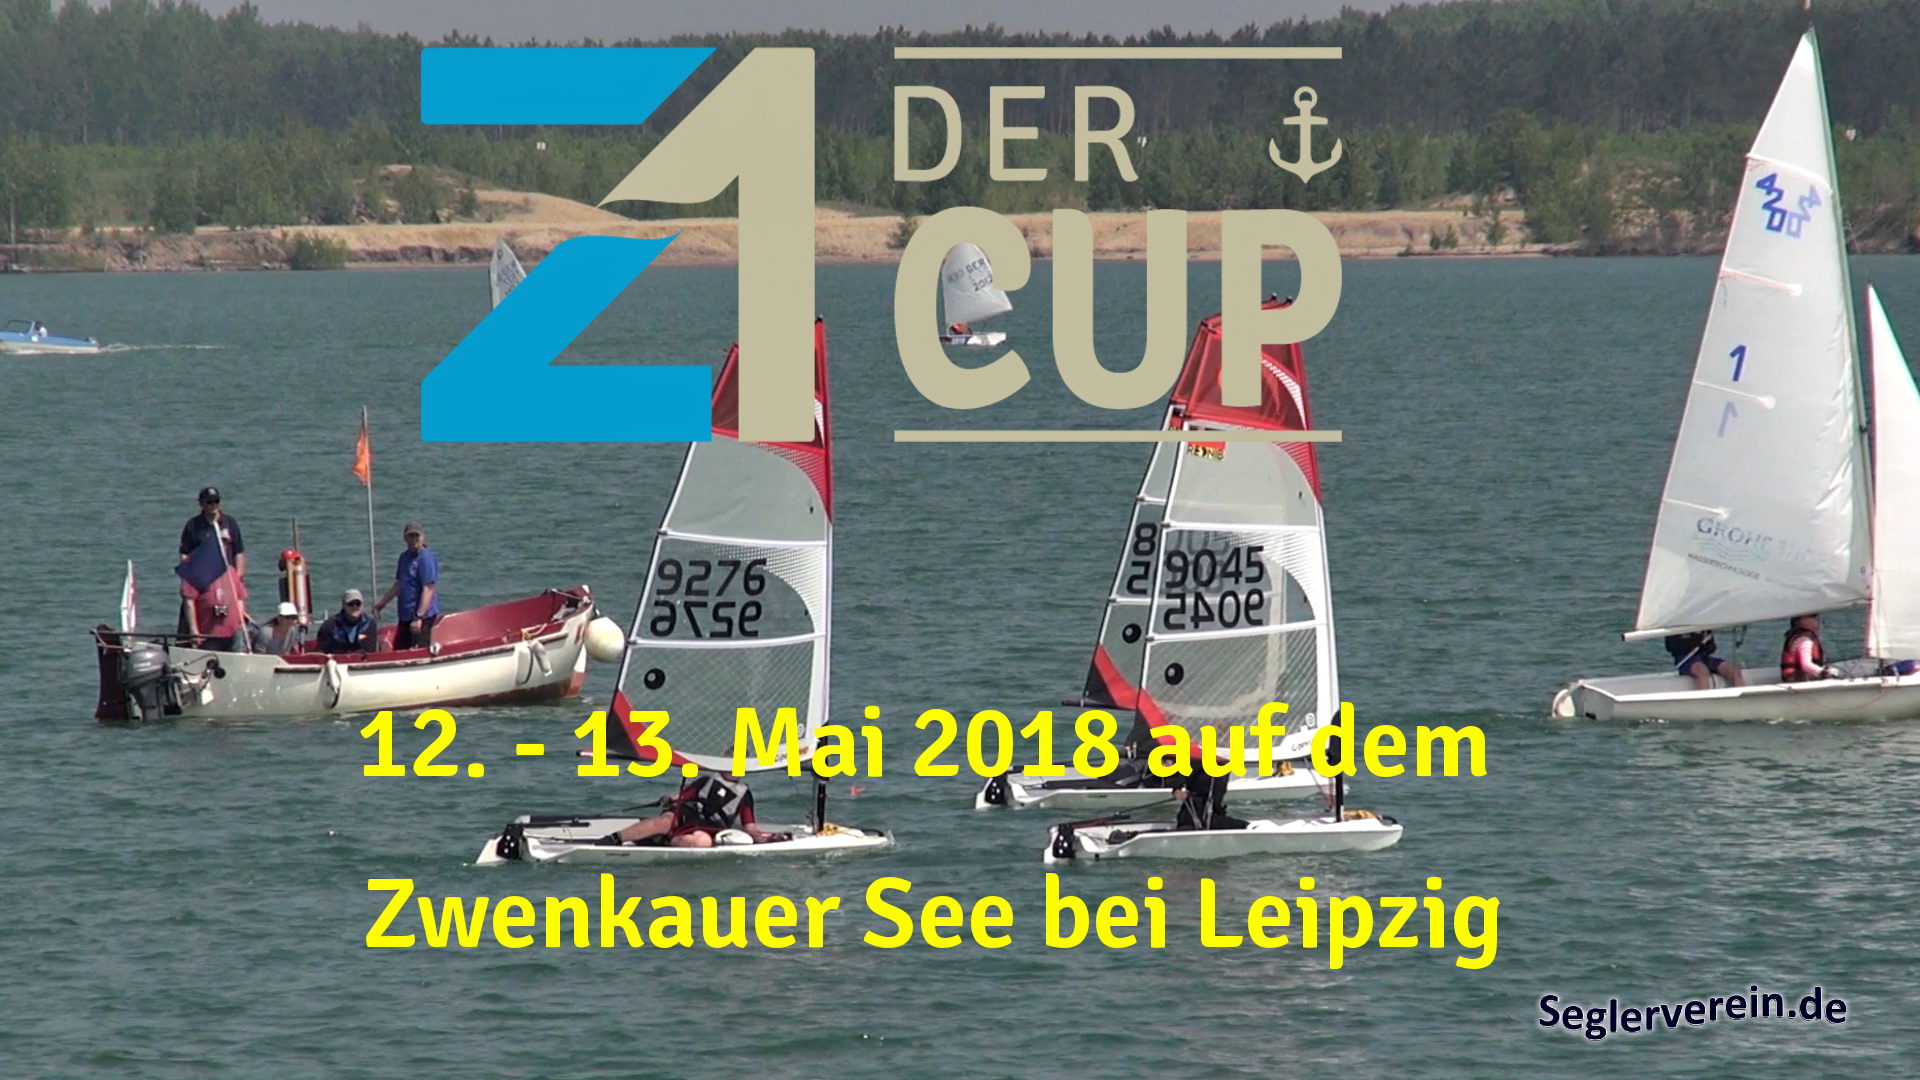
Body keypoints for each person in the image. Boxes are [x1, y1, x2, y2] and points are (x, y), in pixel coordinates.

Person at [603, 772, 784, 848]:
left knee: (702, 842)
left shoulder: (744, 794)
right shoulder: (706, 781)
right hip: (689, 813)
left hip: (711, 827)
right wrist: (668, 799)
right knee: (666, 821)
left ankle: (663, 841)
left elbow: (750, 826)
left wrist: (768, 838)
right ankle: (613, 839)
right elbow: (682, 796)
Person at [178, 486, 247, 632]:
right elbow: (184, 554)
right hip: (202, 578)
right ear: (201, 504)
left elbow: (239, 553)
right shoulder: (193, 526)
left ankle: (235, 635)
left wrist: (238, 578)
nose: (213, 505)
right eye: (209, 502)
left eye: (216, 501)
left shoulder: (230, 523)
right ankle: (190, 637)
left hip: (226, 576)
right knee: (190, 608)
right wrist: (188, 580)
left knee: (230, 614)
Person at [374, 522, 439, 651]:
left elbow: (428, 589)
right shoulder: (404, 557)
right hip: (405, 615)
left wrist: (419, 617)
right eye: (410, 536)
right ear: (405, 537)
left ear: (423, 537)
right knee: (399, 649)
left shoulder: (425, 558)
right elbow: (400, 584)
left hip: (422, 617)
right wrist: (383, 603)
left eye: (416, 536)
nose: (414, 539)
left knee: (417, 651)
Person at [1664, 630, 1745, 690]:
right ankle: (1704, 701)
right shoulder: (1676, 629)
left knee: (1733, 669)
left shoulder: (1703, 629)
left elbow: (1711, 648)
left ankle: (1742, 697)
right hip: (1685, 660)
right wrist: (1693, 642)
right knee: (1702, 670)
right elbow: (1671, 647)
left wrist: (1708, 646)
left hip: (1704, 658)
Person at [1780, 613, 1840, 683]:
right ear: (1803, 620)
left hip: (1797, 679)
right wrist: (1824, 673)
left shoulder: (1799, 636)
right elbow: (1806, 665)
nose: (1817, 620)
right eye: (1813, 617)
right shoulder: (1804, 639)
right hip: (1798, 681)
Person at [316, 590, 377, 654]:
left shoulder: (369, 624)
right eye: (350, 604)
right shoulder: (328, 626)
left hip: (362, 659)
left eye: (358, 604)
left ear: (362, 606)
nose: (354, 607)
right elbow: (322, 650)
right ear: (343, 605)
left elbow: (370, 649)